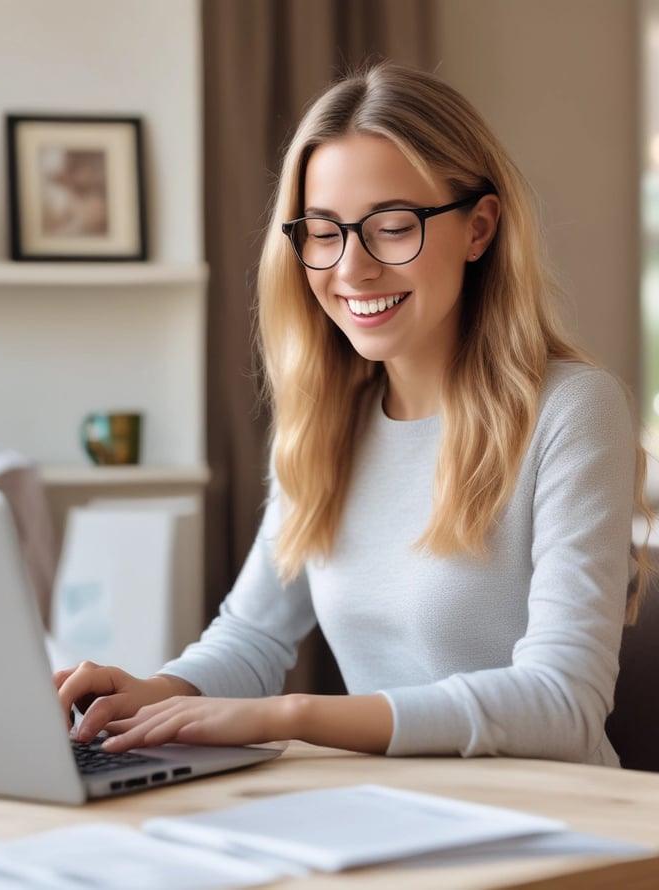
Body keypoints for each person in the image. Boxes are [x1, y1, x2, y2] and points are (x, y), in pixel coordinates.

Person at [56, 61, 651, 766]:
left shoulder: (573, 411)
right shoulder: (326, 422)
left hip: (553, 832)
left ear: (479, 228)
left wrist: (291, 715)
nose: (351, 269)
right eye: (322, 231)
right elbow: (252, 637)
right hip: (385, 818)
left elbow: (562, 702)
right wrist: (152, 692)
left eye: (393, 227)